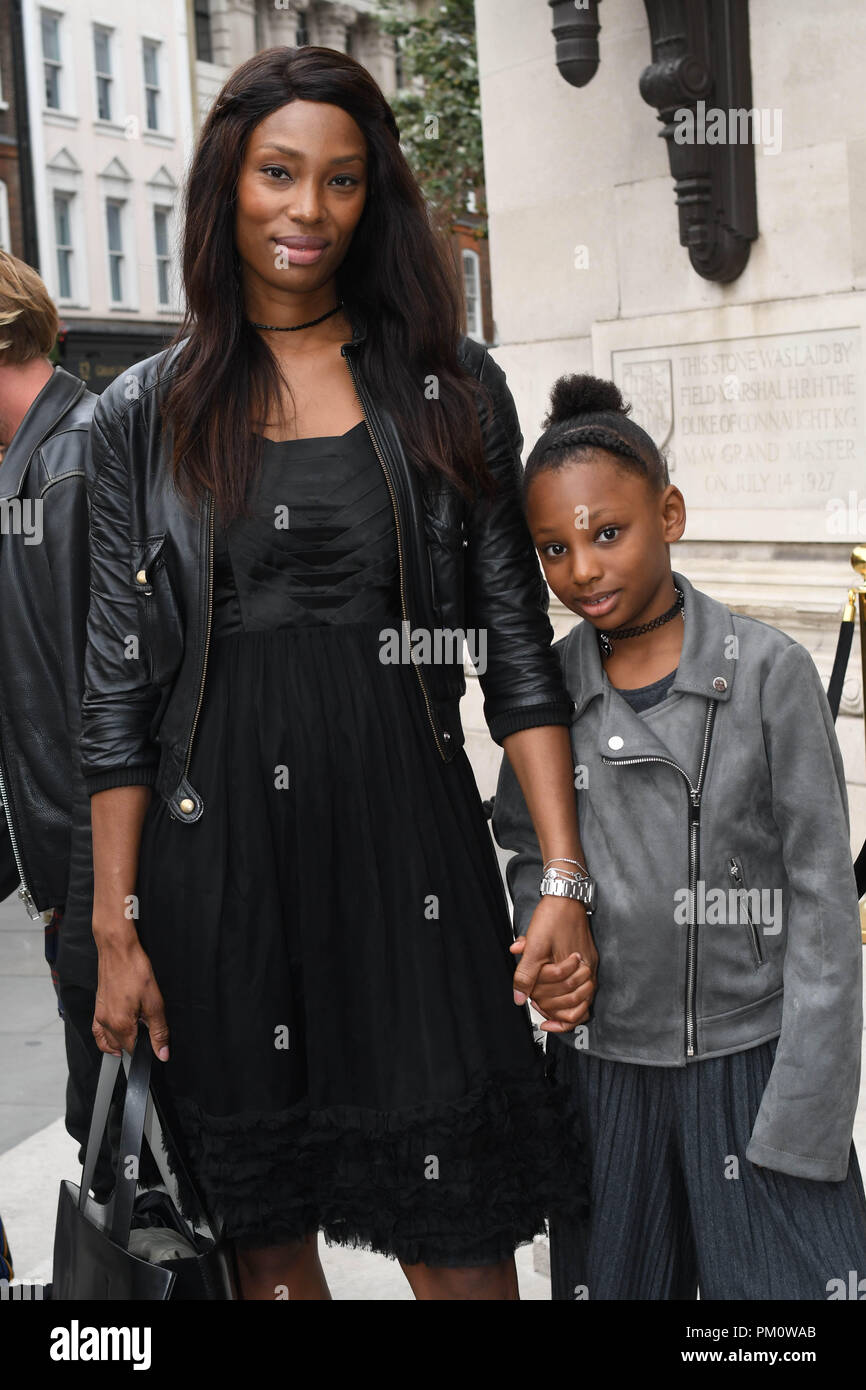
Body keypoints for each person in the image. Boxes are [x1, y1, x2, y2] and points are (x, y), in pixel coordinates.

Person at [79, 45, 597, 1302]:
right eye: (276, 173)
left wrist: (561, 873)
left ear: (375, 202)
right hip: (218, 865)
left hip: (409, 849)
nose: (306, 209)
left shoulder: (448, 388)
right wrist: (115, 921)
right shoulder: (137, 416)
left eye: (342, 181)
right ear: (227, 186)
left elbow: (515, 650)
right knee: (263, 1243)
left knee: (461, 1237)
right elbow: (116, 691)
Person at [492, 371, 866, 1300]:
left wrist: (810, 1111)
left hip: (755, 1071)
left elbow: (825, 903)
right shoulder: (549, 690)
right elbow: (528, 848)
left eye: (607, 533)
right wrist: (546, 932)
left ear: (671, 512)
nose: (582, 569)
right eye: (553, 550)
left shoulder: (769, 672)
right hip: (606, 1075)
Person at [0, 250, 117, 1200]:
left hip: (99, 892)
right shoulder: (31, 465)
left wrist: (91, 918)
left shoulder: (71, 463)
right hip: (72, 885)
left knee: (133, 1156)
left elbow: (109, 711)